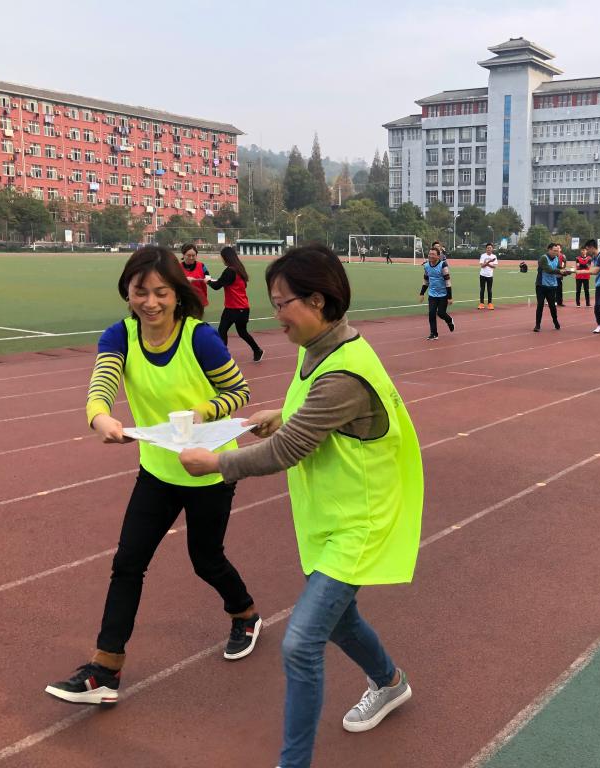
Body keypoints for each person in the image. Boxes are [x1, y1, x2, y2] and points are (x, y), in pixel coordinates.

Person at [179, 244, 423, 768]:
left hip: (360, 520)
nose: (276, 314)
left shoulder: (343, 373)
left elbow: (290, 449)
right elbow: (309, 413)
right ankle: (389, 682)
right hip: (330, 516)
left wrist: (217, 462)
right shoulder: (319, 346)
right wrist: (278, 414)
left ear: (317, 300)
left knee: (301, 642)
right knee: (339, 620)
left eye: (282, 303)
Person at [45, 246, 260, 706]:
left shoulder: (200, 338)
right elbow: (103, 383)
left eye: (161, 292)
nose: (151, 302)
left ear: (177, 293)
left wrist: (204, 410)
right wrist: (99, 417)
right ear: (127, 292)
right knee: (127, 563)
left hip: (209, 470)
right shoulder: (119, 336)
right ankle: (105, 670)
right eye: (140, 291)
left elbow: (238, 391)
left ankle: (245, 614)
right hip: (157, 470)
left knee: (206, 560)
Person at [208, 246, 264, 362]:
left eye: (222, 258)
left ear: (226, 258)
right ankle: (257, 350)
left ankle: (223, 356)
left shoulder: (229, 271)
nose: (222, 260)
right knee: (242, 332)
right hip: (244, 308)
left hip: (233, 308)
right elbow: (224, 282)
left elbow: (217, 286)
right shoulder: (239, 269)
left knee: (222, 330)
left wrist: (207, 281)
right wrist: (213, 280)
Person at [577, 239, 600, 333]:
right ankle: (599, 325)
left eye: (587, 249)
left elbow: (595, 271)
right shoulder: (594, 257)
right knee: (596, 307)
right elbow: (592, 270)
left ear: (592, 248)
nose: (586, 251)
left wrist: (580, 271)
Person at [418, 246, 454, 339]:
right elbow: (426, 280)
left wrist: (450, 297)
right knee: (431, 313)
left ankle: (449, 320)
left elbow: (447, 282)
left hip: (443, 294)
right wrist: (422, 293)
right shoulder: (426, 266)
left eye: (433, 254)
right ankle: (433, 333)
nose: (431, 256)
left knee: (441, 313)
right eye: (430, 254)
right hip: (432, 294)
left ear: (438, 256)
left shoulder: (443, 265)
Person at [534, 242, 566, 332]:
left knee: (552, 306)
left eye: (557, 251)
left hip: (552, 286)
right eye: (554, 251)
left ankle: (555, 322)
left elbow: (559, 268)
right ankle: (537, 325)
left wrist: (566, 272)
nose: (556, 252)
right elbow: (548, 270)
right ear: (549, 250)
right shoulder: (543, 258)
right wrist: (560, 271)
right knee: (540, 305)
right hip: (541, 285)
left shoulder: (556, 258)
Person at [180, 243, 209, 307]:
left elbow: (208, 278)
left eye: (193, 255)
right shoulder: (178, 267)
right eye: (188, 255)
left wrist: (208, 280)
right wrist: (184, 280)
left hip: (199, 301)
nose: (191, 258)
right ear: (183, 255)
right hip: (184, 301)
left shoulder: (202, 266)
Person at [478, 242, 498, 310]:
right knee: (482, 289)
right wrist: (489, 262)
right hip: (482, 275)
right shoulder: (483, 256)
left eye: (490, 248)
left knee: (489, 290)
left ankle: (490, 303)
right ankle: (481, 303)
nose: (489, 249)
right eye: (488, 248)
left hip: (490, 276)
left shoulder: (494, 256)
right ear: (486, 249)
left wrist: (487, 263)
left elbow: (494, 267)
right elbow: (482, 266)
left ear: (492, 249)